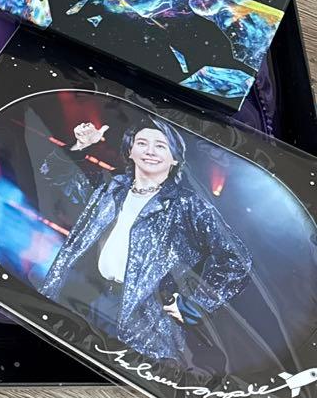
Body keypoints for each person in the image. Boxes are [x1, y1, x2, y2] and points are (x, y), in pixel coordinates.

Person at [37, 116, 252, 364]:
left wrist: (195, 305)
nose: (150, 151)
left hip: (143, 319)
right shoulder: (110, 188)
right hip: (86, 297)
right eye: (142, 143)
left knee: (111, 376)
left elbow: (237, 259)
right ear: (130, 151)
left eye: (160, 145)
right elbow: (54, 173)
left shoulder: (187, 204)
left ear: (174, 158)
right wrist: (80, 146)